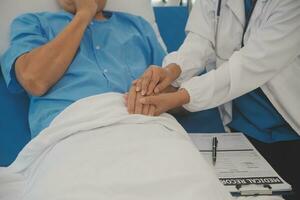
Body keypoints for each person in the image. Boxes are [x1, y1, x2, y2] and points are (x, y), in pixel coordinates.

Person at [127, 0, 300, 199]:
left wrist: (179, 97)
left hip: (289, 129)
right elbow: (200, 40)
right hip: (239, 127)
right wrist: (171, 70)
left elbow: (248, 65)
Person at [0, 0, 165, 138]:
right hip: (71, 132)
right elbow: (34, 80)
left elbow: (178, 93)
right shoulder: (33, 23)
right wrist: (84, 14)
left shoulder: (139, 27)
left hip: (144, 126)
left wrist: (156, 90)